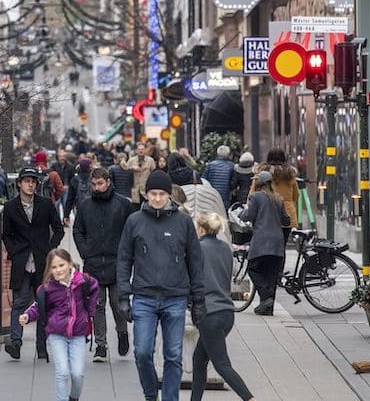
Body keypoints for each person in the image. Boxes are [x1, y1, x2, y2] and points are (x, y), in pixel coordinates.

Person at [115, 169, 205, 401]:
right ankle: (150, 393)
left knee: (173, 355)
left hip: (175, 296)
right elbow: (124, 259)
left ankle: (170, 398)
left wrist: (198, 300)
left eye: (161, 194)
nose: (156, 198)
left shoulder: (183, 222)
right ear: (146, 194)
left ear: (169, 195)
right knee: (142, 352)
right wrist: (123, 296)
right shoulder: (134, 221)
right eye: (153, 193)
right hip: (144, 296)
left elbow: (195, 261)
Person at [190, 211, 256, 401]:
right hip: (227, 312)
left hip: (209, 313)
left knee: (222, 365)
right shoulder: (225, 248)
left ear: (201, 229)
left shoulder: (198, 249)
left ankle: (250, 398)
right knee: (199, 360)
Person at [17, 249, 100, 401]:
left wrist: (90, 312)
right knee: (62, 372)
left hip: (78, 334)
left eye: (61, 265)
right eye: (54, 267)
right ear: (49, 269)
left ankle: (74, 397)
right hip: (57, 334)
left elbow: (95, 288)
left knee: (77, 373)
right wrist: (27, 316)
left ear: (69, 264)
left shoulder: (83, 281)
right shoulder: (48, 288)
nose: (58, 270)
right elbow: (38, 306)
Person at [72, 167, 135, 362]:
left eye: (100, 184)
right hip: (93, 263)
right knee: (97, 305)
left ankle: (122, 332)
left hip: (117, 263)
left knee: (118, 304)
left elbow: (131, 232)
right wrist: (85, 252)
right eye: (94, 184)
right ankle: (101, 345)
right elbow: (77, 230)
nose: (97, 188)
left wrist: (126, 255)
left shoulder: (123, 205)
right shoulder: (86, 205)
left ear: (108, 182)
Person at [2, 166, 65, 360]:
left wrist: (50, 249)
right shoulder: (11, 207)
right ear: (19, 184)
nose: (31, 185)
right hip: (22, 262)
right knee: (19, 303)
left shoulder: (45, 204)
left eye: (34, 181)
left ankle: (41, 345)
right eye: (27, 181)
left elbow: (58, 229)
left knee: (43, 304)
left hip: (42, 263)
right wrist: (14, 252)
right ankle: (15, 342)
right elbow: (6, 234)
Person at [239, 171, 290, 316]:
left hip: (262, 240)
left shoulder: (256, 197)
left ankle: (266, 297)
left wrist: (240, 214)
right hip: (277, 241)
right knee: (271, 274)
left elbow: (248, 215)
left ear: (259, 183)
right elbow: (285, 220)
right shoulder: (278, 198)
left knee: (253, 268)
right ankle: (267, 307)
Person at [259, 149, 300, 234]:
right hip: (287, 213)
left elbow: (252, 194)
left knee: (268, 244)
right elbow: (296, 195)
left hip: (267, 213)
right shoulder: (290, 175)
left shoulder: (262, 175)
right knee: (282, 244)